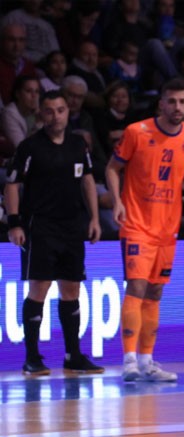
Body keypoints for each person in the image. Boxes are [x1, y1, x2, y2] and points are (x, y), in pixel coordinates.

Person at [105, 78, 184, 383]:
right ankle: (129, 360)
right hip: (135, 224)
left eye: (183, 102)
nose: (177, 107)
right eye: (171, 101)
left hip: (167, 229)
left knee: (156, 292)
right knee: (137, 286)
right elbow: (111, 168)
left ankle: (147, 361)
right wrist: (117, 203)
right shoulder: (137, 132)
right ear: (161, 103)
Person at [4, 89, 103, 377]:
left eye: (60, 110)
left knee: (72, 290)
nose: (56, 116)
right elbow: (12, 184)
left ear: (67, 111)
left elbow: (87, 180)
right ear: (40, 114)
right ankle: (32, 357)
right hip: (41, 226)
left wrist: (94, 218)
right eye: (49, 111)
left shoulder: (77, 145)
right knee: (39, 290)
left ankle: (73, 355)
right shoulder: (30, 147)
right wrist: (14, 222)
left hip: (72, 226)